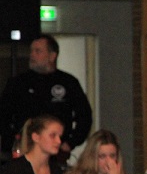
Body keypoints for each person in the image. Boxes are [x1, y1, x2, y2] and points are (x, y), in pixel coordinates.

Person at [0, 34, 92, 162]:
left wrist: (70, 143)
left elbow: (84, 116)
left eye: (38, 51)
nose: (32, 55)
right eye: (31, 51)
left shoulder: (68, 82)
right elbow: (4, 116)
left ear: (52, 56)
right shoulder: (18, 83)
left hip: (56, 152)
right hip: (24, 151)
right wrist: (13, 143)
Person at [0, 114, 66, 174]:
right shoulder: (13, 170)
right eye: (53, 136)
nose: (59, 141)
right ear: (36, 137)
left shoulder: (58, 173)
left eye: (60, 136)